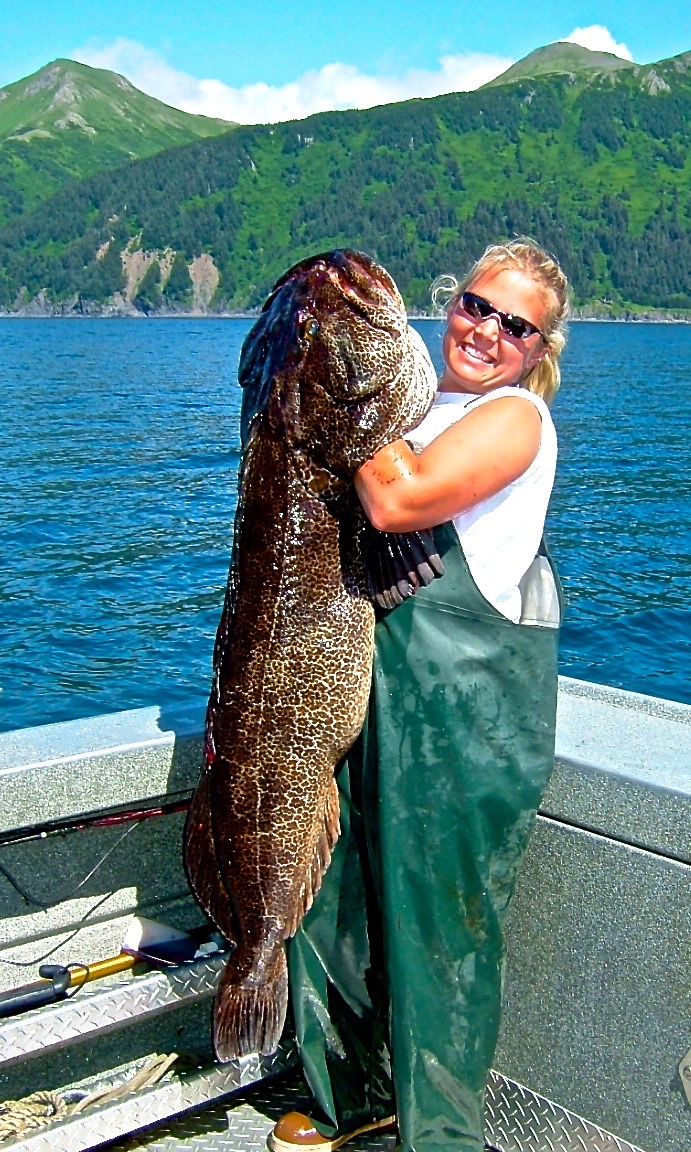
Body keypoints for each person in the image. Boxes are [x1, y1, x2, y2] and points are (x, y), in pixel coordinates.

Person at [268, 238, 570, 1152]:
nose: (486, 331)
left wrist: (331, 387)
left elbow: (399, 503)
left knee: (441, 928)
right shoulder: (418, 401)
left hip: (464, 712)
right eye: (476, 306)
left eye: (515, 326)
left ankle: (439, 1137)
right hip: (368, 689)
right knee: (336, 897)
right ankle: (349, 1098)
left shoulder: (515, 418)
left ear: (537, 350)